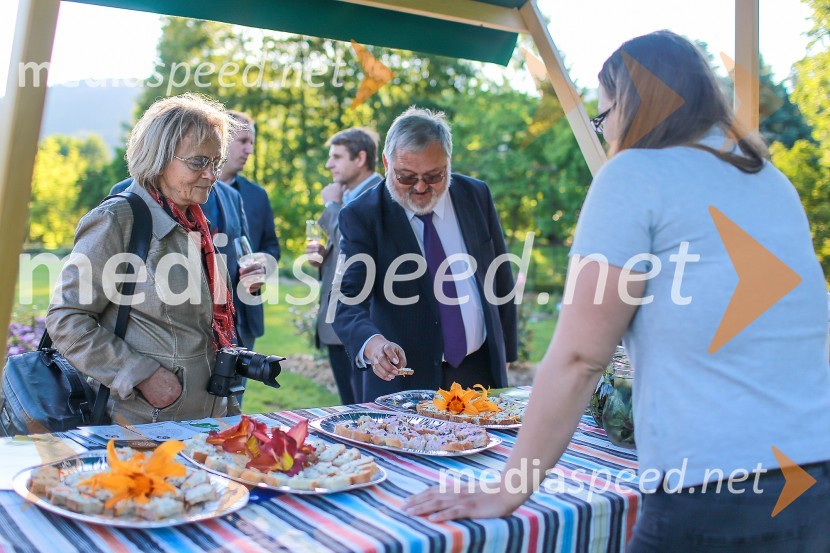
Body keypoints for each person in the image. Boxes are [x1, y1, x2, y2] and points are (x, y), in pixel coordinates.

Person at [404, 31, 830, 551]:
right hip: (813, 473)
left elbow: (580, 355)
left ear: (632, 103)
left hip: (713, 482)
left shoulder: (634, 174)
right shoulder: (768, 178)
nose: (605, 134)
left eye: (603, 116)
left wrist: (507, 489)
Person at [47, 93, 245, 424]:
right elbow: (67, 319)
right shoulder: (118, 219)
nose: (212, 175)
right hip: (141, 425)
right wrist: (140, 374)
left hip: (207, 419)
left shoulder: (195, 224)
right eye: (198, 162)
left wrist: (228, 411)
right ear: (159, 157)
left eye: (216, 162)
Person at [333, 107, 518, 403]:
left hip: (481, 373)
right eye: (406, 177)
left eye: (434, 176)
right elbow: (345, 301)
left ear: (448, 162)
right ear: (385, 163)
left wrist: (506, 354)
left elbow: (500, 278)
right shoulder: (362, 215)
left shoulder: (475, 195)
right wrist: (373, 344)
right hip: (406, 382)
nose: (420, 187)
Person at [306, 128, 383, 404]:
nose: (329, 165)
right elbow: (349, 251)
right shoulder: (348, 198)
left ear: (360, 158)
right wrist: (323, 256)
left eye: (336, 157)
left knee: (365, 408)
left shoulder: (378, 195)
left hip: (365, 324)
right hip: (339, 324)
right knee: (350, 407)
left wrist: (332, 206)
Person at [218, 111, 282, 351]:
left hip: (245, 315)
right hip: (200, 316)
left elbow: (271, 247)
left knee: (237, 390)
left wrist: (261, 267)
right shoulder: (188, 192)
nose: (249, 150)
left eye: (251, 143)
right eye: (243, 141)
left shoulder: (257, 195)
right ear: (221, 141)